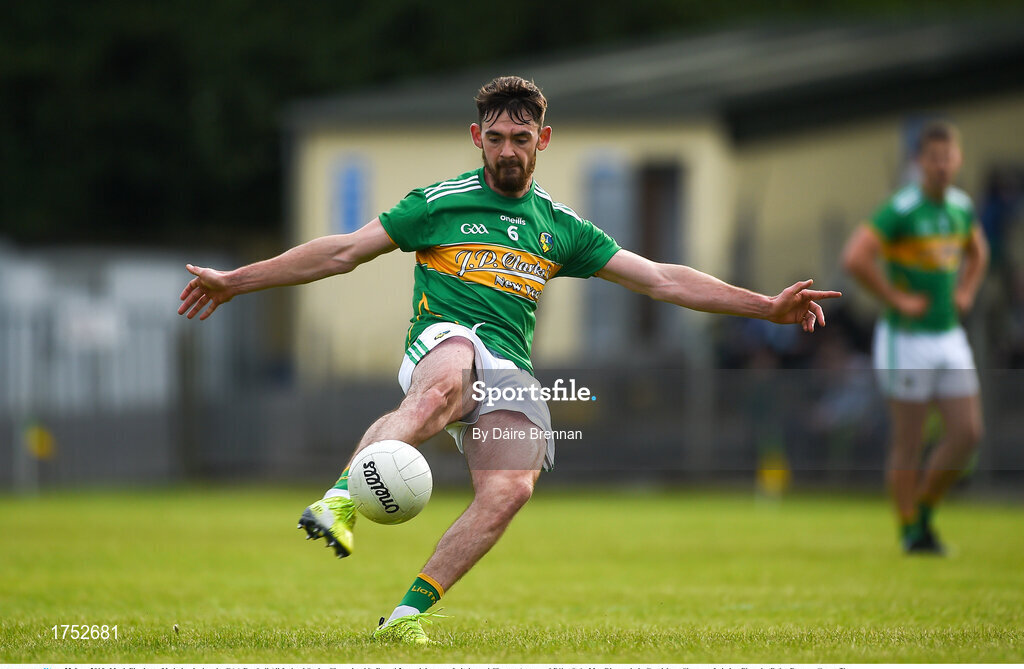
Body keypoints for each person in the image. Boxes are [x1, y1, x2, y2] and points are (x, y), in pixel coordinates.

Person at [178, 76, 840, 643]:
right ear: (477, 138)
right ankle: (341, 501)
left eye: (520, 140)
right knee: (445, 379)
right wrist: (237, 280)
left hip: (509, 367)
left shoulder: (560, 228)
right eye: (495, 138)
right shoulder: (438, 204)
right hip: (442, 339)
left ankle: (405, 616)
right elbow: (341, 251)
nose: (507, 151)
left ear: (542, 142)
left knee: (510, 488)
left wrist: (764, 306)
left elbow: (660, 278)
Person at [842, 120, 988, 555]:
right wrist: (895, 298)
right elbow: (855, 257)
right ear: (920, 162)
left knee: (968, 434)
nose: (942, 166)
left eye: (949, 157)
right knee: (909, 439)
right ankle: (910, 530)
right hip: (905, 339)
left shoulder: (961, 207)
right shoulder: (902, 209)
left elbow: (979, 251)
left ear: (958, 160)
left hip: (948, 335)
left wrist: (966, 290)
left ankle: (924, 509)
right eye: (934, 158)